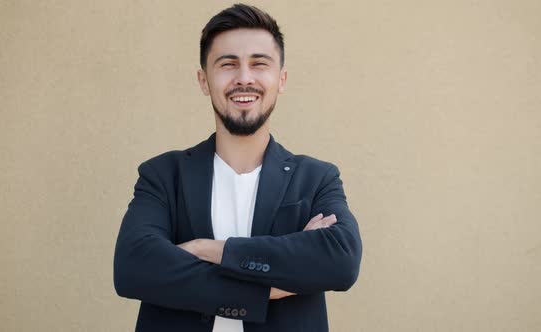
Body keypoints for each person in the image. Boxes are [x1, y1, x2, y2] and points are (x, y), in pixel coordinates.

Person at [113, 3, 362, 331]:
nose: (244, 78)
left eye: (259, 64)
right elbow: (134, 267)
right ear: (204, 81)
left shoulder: (316, 178)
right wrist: (272, 287)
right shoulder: (162, 175)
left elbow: (341, 260)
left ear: (281, 79)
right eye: (228, 64)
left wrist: (208, 249)